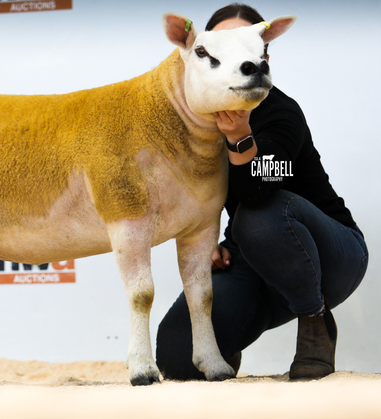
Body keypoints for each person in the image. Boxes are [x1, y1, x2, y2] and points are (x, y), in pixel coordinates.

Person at [156, 3, 369, 381]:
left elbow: (256, 193)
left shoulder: (281, 112)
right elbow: (183, 194)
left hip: (332, 253)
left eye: (248, 43)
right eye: (222, 45)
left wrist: (239, 136)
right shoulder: (187, 122)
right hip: (251, 254)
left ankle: (316, 321)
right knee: (178, 355)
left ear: (263, 53)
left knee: (260, 215)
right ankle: (230, 337)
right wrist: (204, 243)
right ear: (198, 55)